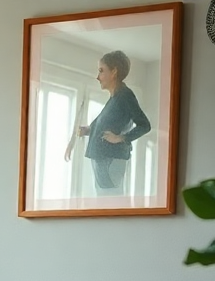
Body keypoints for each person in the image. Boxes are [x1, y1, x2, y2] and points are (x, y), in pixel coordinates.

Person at [64, 50, 151, 196]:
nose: (97, 77)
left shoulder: (125, 96)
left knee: (109, 201)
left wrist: (121, 138)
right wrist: (88, 130)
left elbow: (145, 125)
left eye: (101, 71)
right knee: (104, 202)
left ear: (114, 72)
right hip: (103, 160)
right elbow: (108, 126)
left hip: (110, 160)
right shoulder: (115, 98)